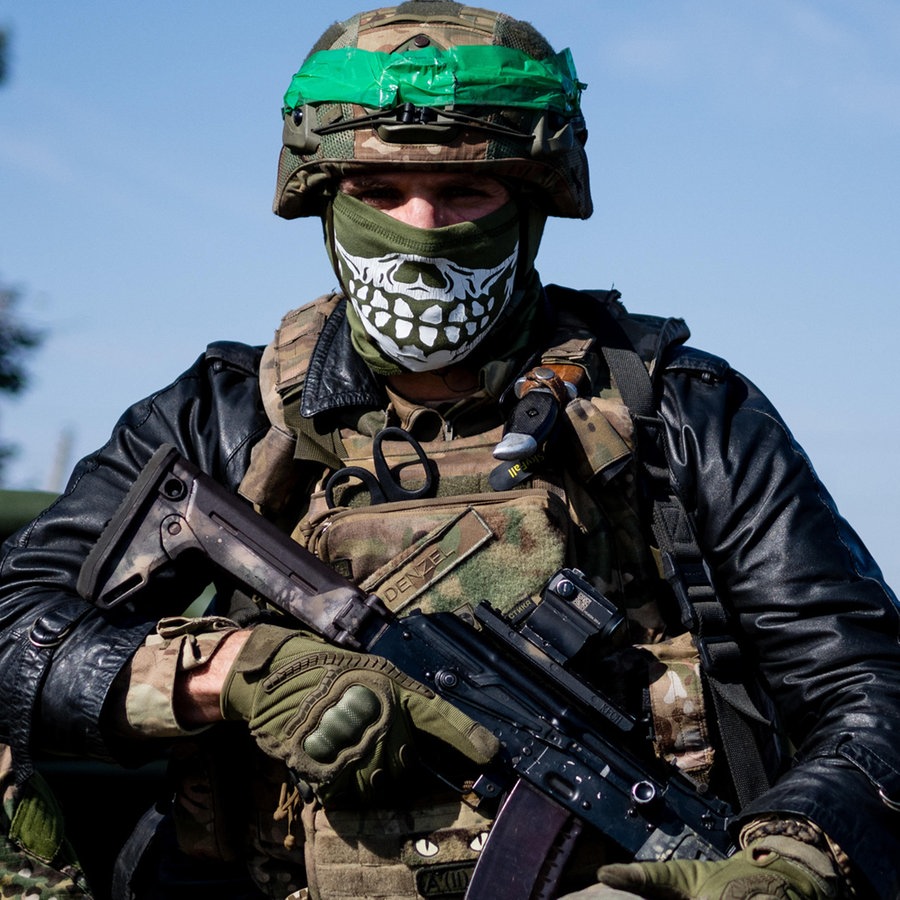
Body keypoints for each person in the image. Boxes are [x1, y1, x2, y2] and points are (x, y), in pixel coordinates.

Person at [1, 2, 899, 898]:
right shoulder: (226, 417)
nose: (421, 228)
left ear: (534, 202)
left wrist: (796, 861)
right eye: (380, 195)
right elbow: (16, 627)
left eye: (465, 191)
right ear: (322, 198)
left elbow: (867, 687)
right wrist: (237, 673)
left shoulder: (676, 411)